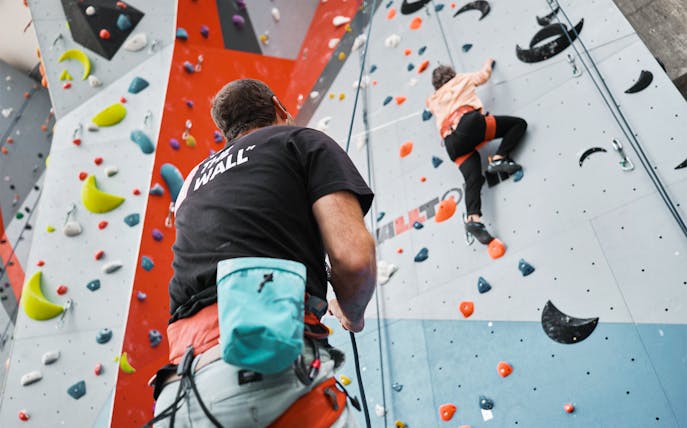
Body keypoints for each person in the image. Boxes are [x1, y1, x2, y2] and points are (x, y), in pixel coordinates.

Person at [148, 79, 377, 427]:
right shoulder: (300, 141)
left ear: (226, 132)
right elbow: (353, 258)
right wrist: (352, 314)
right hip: (267, 364)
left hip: (179, 392)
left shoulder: (193, 182)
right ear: (279, 108)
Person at [426, 59, 528, 245]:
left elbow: (432, 105)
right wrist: (488, 63)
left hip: (452, 143)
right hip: (469, 124)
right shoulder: (461, 79)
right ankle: (498, 158)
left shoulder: (432, 100)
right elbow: (483, 76)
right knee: (518, 124)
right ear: (451, 73)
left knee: (473, 179)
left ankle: (473, 220)